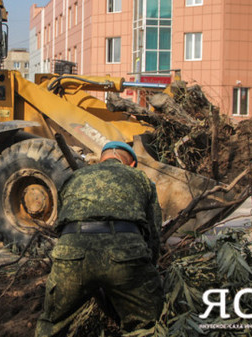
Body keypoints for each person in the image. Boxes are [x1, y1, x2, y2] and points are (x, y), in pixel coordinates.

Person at [35, 141, 164, 337]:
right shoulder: (141, 178)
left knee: (52, 323)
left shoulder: (74, 178)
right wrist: (149, 268)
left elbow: (60, 225)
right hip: (125, 256)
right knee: (146, 325)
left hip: (72, 255)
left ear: (101, 158)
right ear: (130, 165)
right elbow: (153, 231)